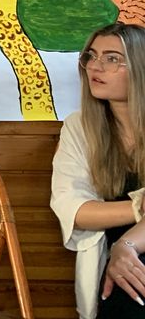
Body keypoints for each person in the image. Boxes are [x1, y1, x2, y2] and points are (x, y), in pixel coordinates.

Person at [52, 22, 145, 319]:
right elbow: (74, 209)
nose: (95, 66)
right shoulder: (79, 127)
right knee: (125, 295)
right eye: (91, 56)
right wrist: (138, 207)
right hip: (116, 259)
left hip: (126, 250)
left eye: (112, 58)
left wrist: (126, 245)